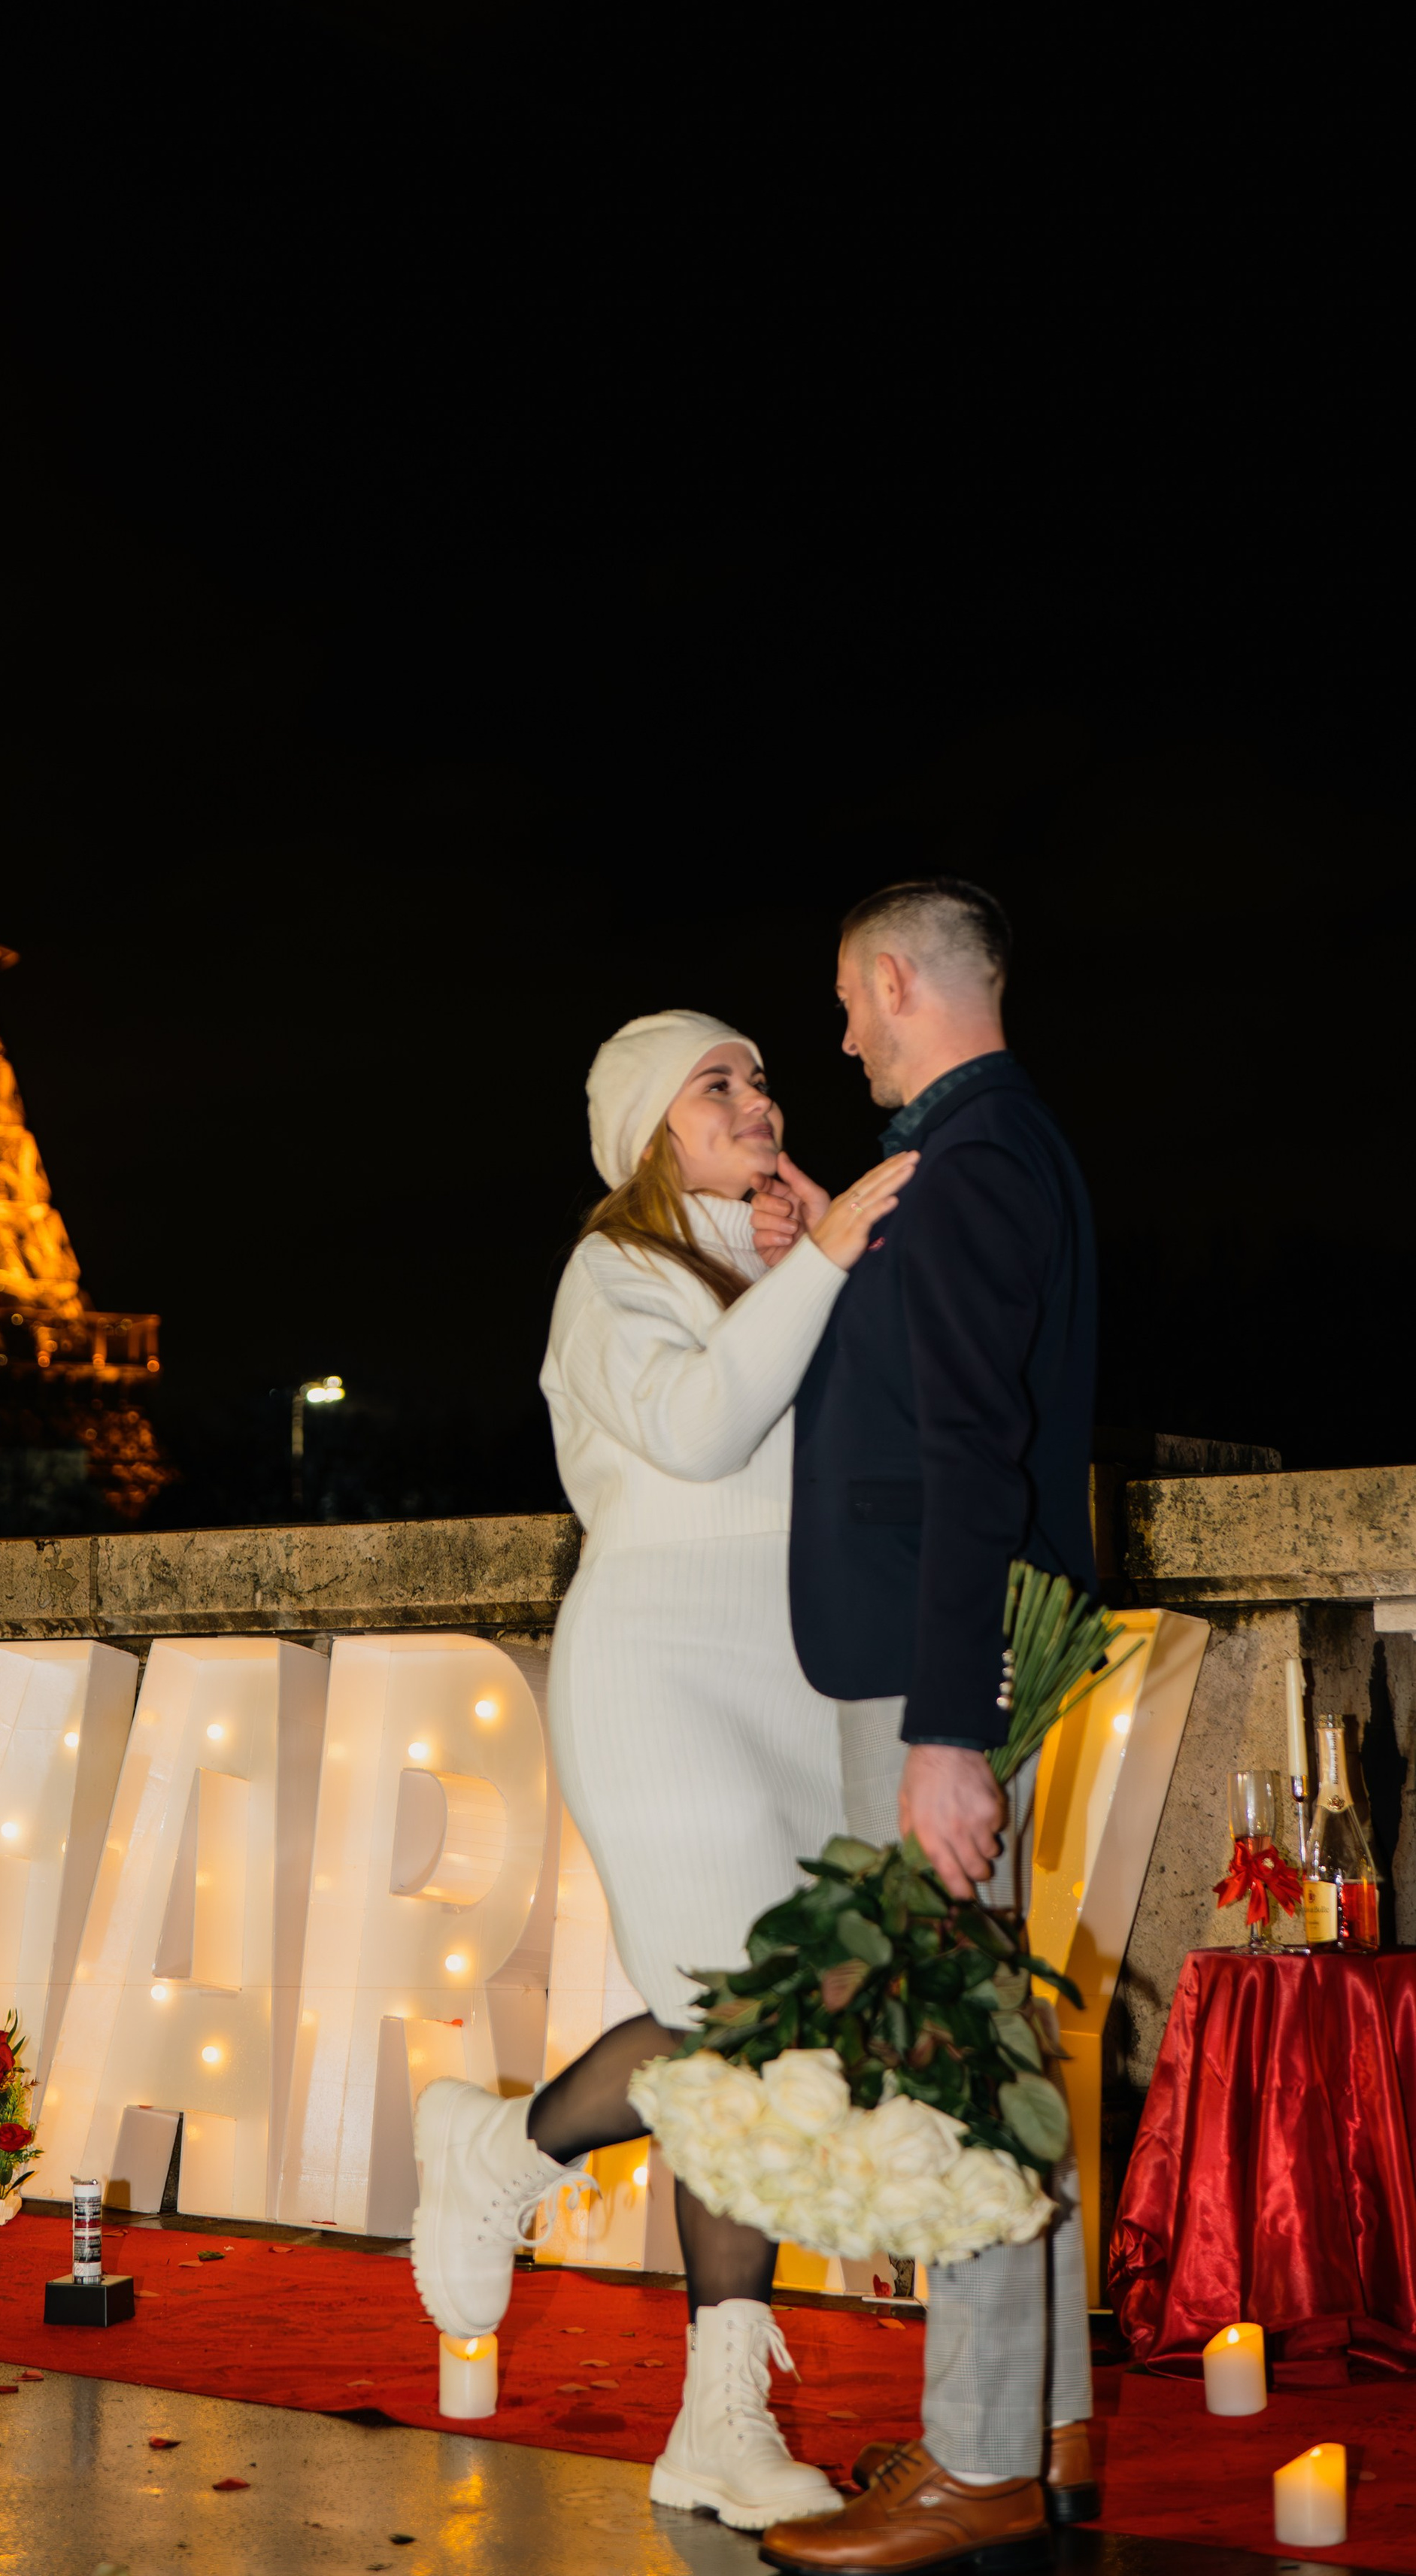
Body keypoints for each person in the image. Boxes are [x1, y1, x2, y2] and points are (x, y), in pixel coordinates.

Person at [410, 1009, 916, 2535]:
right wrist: (822, 1265)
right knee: (738, 2026)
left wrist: (826, 1252)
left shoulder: (779, 1257)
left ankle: (511, 2158)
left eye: (762, 1077)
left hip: (792, 1684)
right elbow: (699, 1434)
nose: (758, 1098)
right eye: (719, 1083)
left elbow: (882, 1440)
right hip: (659, 1681)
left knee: (760, 2035)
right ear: (649, 1130)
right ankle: (540, 2206)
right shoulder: (608, 1274)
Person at [760, 879, 1098, 2576]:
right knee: (982, 2048)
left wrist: (943, 1730)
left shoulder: (970, 1165)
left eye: (843, 1001)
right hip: (940, 1647)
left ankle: (974, 2464)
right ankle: (1029, 2416)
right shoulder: (981, 1158)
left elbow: (971, 1456)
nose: (835, 1036)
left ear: (895, 980)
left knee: (953, 2065)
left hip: (928, 1662)